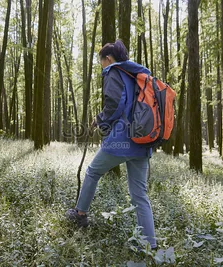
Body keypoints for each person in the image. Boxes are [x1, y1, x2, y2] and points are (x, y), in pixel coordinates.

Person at [65, 40, 157, 250]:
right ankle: (150, 245)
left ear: (108, 59)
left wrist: (100, 120)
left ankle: (80, 214)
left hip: (123, 140)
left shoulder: (114, 72)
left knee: (92, 171)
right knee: (140, 195)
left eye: (100, 61)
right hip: (142, 141)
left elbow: (115, 104)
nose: (100, 65)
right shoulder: (135, 75)